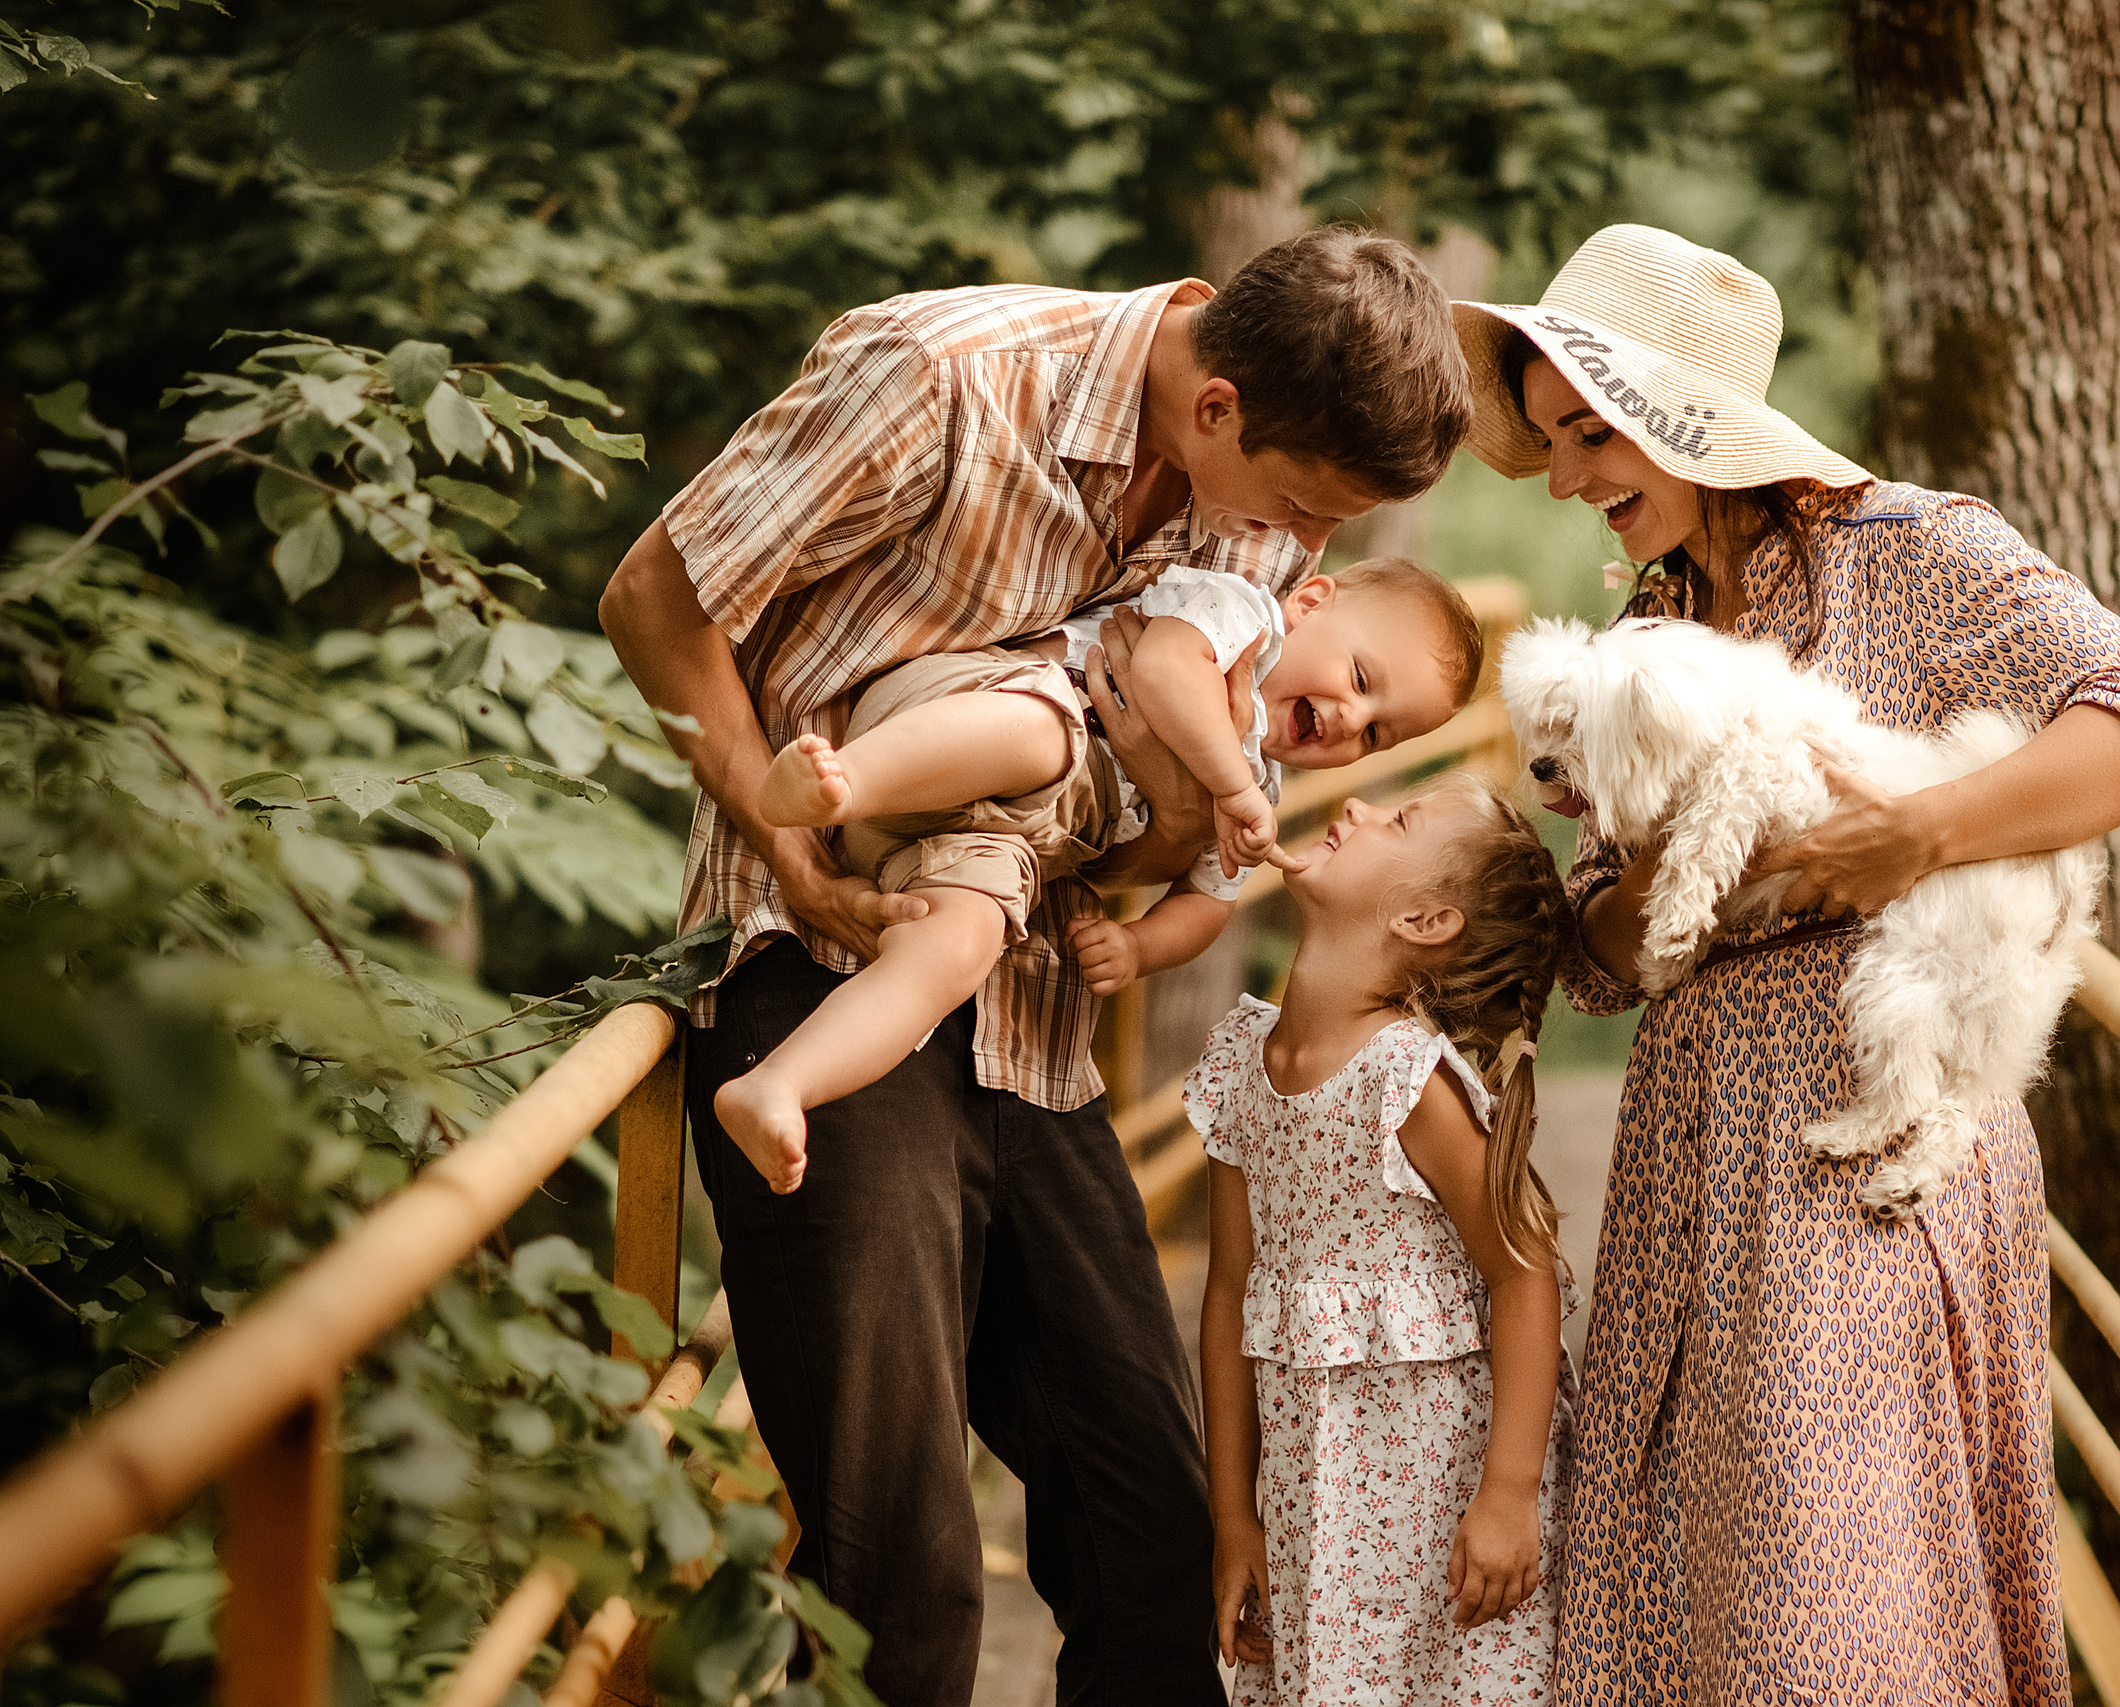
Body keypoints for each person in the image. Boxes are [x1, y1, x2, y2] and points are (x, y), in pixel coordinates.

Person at [597, 225, 1471, 1706]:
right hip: (824, 964)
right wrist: (786, 838)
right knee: (900, 1567)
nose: (1304, 548)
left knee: (1156, 1535)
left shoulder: (1268, 505)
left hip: (1033, 1010)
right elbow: (650, 600)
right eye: (1301, 508)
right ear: (1217, 408)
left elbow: (1142, 824)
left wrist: (1181, 838)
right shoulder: (939, 375)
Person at [1450, 224, 2120, 1704]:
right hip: (1694, 1155)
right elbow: (1604, 963)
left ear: (1685, 414)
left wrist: (1920, 835)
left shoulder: (1916, 548)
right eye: (1549, 440)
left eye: (1589, 434)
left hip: (1862, 1147)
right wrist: (1665, 860)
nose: (1564, 478)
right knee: (1700, 1577)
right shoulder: (1648, 624)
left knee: (1839, 1594)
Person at [718, 556, 1484, 1194]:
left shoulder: (1260, 792)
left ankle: (783, 1083)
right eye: (1360, 677)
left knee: (961, 944)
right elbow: (1163, 669)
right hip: (966, 721)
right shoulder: (1238, 615)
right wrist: (1231, 788)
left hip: (992, 838)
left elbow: (1209, 900)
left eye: (1376, 733)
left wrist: (1139, 945)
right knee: (1046, 734)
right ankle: (840, 782)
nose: (1352, 718)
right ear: (1310, 603)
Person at [1189, 774, 1580, 1706]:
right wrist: (1233, 1517)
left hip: (1442, 1512)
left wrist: (1509, 1492)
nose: (1358, 806)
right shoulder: (1240, 1065)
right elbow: (1230, 1293)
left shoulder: (1406, 1080)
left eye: (1398, 818)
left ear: (1426, 920)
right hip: (1312, 1515)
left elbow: (1523, 1275)